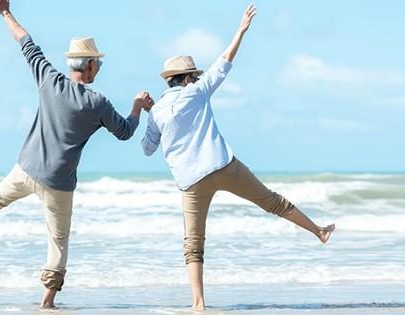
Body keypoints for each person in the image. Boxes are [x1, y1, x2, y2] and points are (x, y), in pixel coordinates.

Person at [0, 0, 153, 309]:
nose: (100, 68)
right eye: (98, 64)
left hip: (26, 169)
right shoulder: (98, 103)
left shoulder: (49, 80)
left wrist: (5, 12)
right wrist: (136, 107)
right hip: (59, 183)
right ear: (89, 66)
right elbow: (126, 132)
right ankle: (47, 302)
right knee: (58, 241)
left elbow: (26, 43)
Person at [141, 4, 335, 310]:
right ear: (188, 78)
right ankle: (319, 231)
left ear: (170, 80)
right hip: (221, 164)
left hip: (190, 181)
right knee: (272, 202)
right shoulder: (197, 92)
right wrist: (241, 29)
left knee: (193, 244)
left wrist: (144, 110)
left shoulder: (157, 112)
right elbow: (224, 62)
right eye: (194, 75)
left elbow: (148, 149)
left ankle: (199, 303)